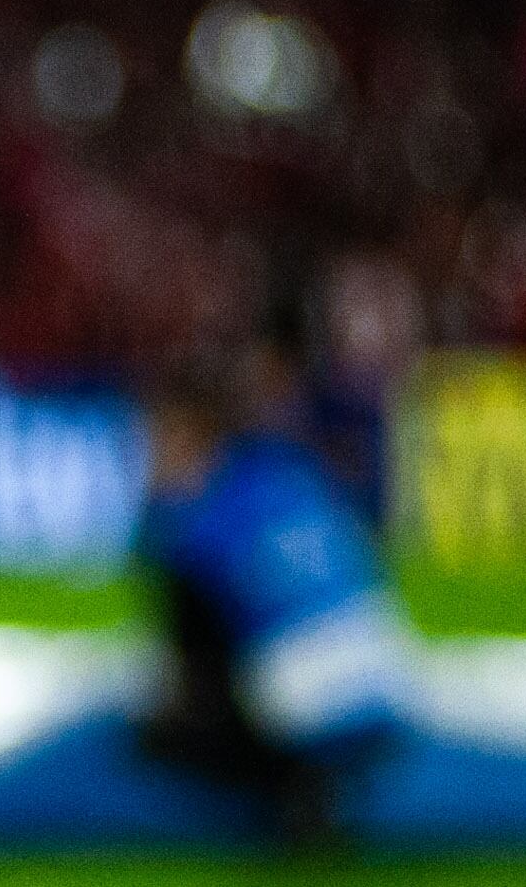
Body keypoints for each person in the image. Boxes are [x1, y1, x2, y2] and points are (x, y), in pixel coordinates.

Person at [130, 349, 410, 849]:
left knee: (154, 728)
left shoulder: (193, 522)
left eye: (154, 441)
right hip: (386, 690)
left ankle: (297, 791)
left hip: (297, 728)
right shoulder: (298, 475)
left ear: (189, 437)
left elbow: (188, 665)